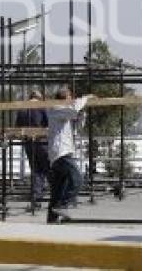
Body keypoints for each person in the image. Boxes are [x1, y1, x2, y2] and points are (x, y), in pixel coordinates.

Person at [46, 86, 93, 223]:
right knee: (77, 179)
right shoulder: (56, 108)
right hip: (61, 152)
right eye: (70, 98)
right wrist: (85, 99)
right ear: (66, 98)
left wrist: (82, 115)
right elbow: (73, 110)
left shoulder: (61, 112)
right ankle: (63, 205)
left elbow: (76, 127)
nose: (72, 100)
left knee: (58, 188)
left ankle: (52, 220)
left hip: (62, 152)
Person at [15, 90, 49, 205]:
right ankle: (55, 193)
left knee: (35, 168)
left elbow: (18, 127)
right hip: (42, 141)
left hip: (28, 142)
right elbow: (48, 123)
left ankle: (36, 194)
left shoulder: (22, 108)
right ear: (39, 97)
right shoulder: (41, 106)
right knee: (47, 167)